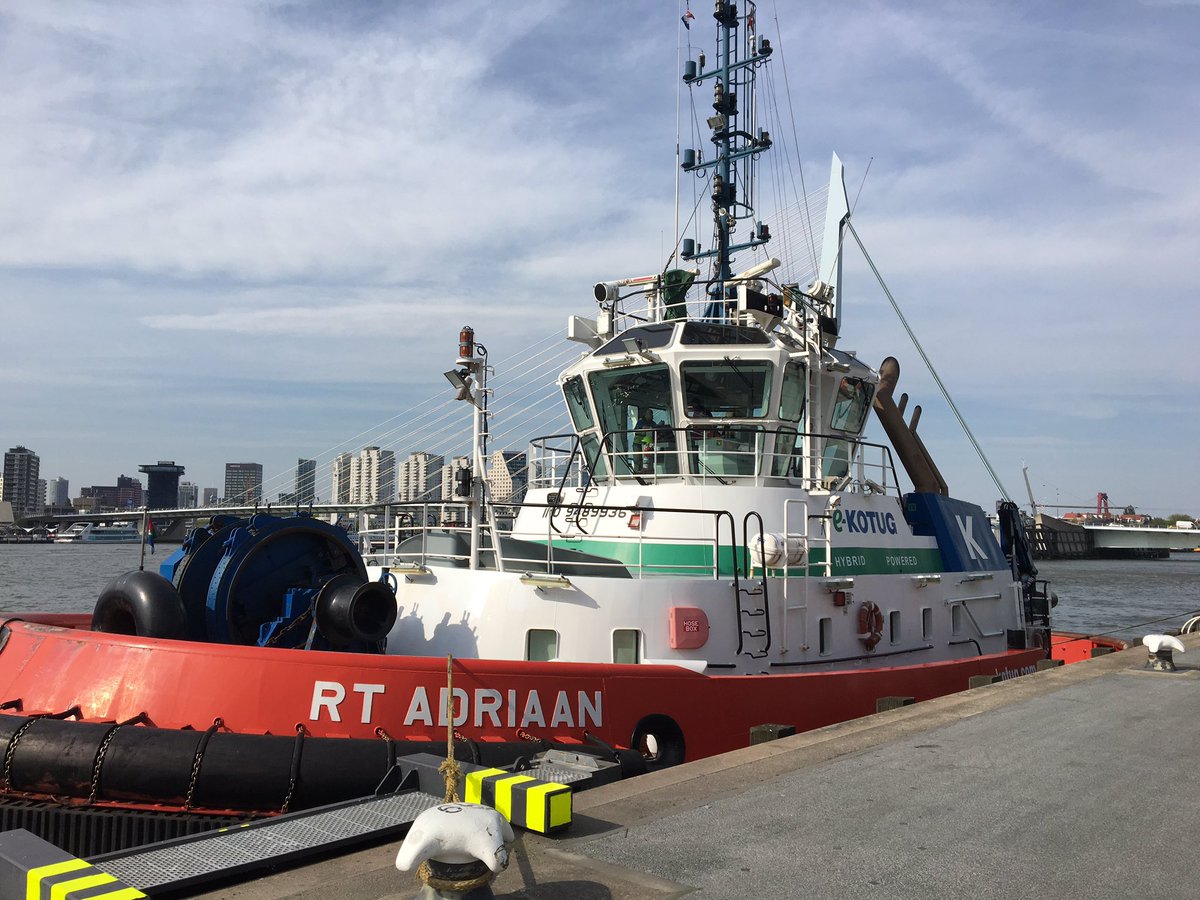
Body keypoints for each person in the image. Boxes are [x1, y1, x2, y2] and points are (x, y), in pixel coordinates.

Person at [634, 407, 657, 473]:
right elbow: (642, 427)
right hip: (638, 443)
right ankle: (637, 473)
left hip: (648, 444)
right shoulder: (641, 421)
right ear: (645, 415)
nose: (651, 415)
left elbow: (655, 428)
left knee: (649, 459)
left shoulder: (653, 423)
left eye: (651, 414)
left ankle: (650, 471)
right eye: (649, 414)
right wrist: (651, 428)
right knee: (637, 460)